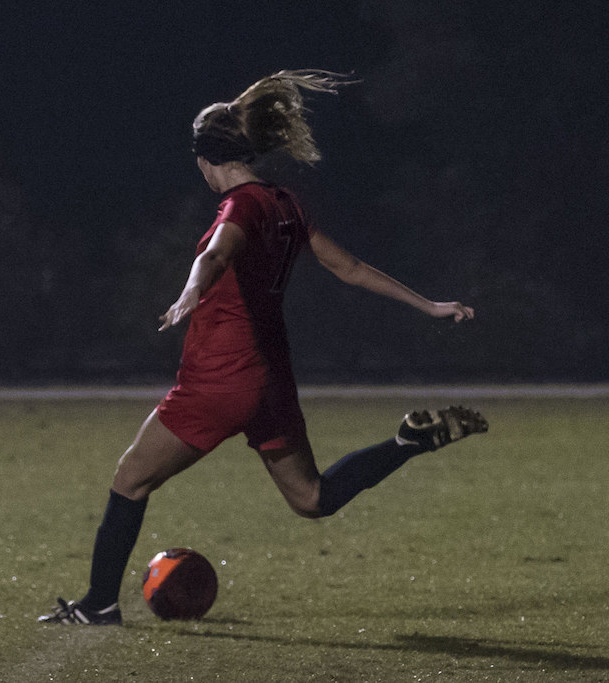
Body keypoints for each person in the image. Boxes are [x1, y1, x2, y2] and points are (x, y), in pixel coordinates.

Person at [39, 70, 488, 626]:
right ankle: (405, 442)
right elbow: (347, 266)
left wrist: (189, 292)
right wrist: (428, 305)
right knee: (311, 498)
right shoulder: (285, 204)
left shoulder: (242, 206)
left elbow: (217, 253)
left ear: (208, 158)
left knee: (131, 478)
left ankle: (99, 604)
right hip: (271, 380)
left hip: (221, 379)